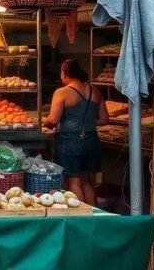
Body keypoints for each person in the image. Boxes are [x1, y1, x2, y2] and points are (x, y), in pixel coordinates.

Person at [44, 59, 108, 206]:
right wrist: (86, 123)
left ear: (64, 73)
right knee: (87, 181)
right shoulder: (95, 91)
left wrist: (45, 122)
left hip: (70, 141)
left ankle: (81, 217)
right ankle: (94, 216)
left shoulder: (62, 92)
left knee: (74, 181)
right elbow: (104, 119)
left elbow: (53, 120)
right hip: (92, 140)